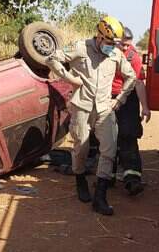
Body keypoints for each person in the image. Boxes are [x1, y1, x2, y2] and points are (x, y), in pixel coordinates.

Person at [46, 16, 136, 216]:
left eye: (115, 44)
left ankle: (100, 196)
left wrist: (119, 100)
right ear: (99, 36)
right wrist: (70, 78)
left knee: (109, 150)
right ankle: (80, 180)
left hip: (105, 109)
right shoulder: (80, 47)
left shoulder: (115, 54)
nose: (112, 47)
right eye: (109, 43)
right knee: (81, 148)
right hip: (82, 108)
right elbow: (52, 58)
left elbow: (131, 76)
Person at [112, 26, 151, 196]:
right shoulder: (105, 54)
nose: (126, 48)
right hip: (108, 99)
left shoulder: (133, 57)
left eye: (128, 45)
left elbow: (139, 83)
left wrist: (145, 107)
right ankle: (107, 177)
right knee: (108, 138)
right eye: (122, 45)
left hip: (128, 99)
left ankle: (132, 178)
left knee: (128, 135)